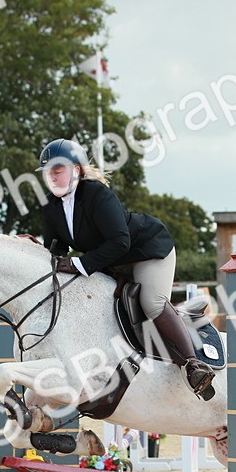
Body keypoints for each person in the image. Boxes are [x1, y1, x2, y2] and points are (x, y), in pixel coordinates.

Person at [36, 138, 214, 399]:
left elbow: (121, 241)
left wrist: (80, 263)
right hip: (112, 263)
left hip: (147, 250)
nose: (52, 177)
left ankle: (193, 365)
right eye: (48, 172)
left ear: (76, 170)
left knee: (152, 302)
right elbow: (57, 250)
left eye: (57, 170)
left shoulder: (96, 194)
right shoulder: (51, 207)